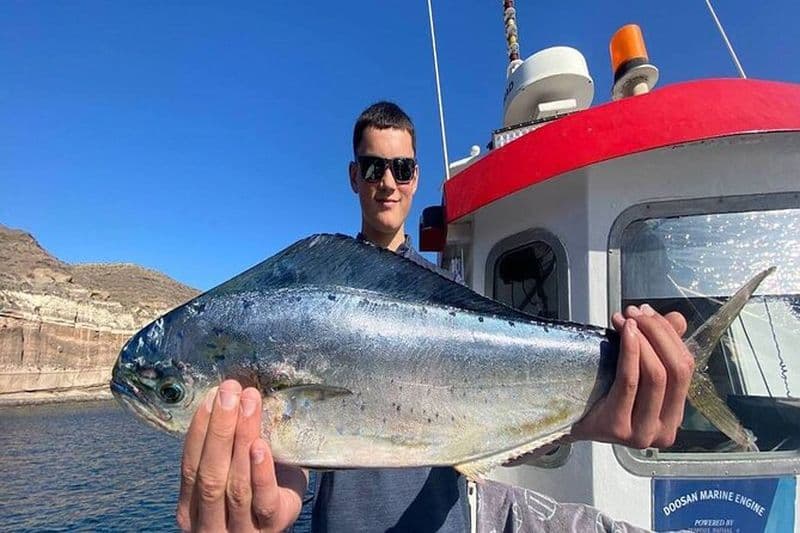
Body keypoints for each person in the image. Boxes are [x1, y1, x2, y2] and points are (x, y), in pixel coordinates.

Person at [175, 102, 693, 532]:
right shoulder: (313, 308)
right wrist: (277, 484)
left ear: (416, 177)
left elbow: (483, 431)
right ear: (355, 176)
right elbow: (295, 440)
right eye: (374, 166)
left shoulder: (452, 295)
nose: (387, 182)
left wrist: (582, 421)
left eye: (401, 168)